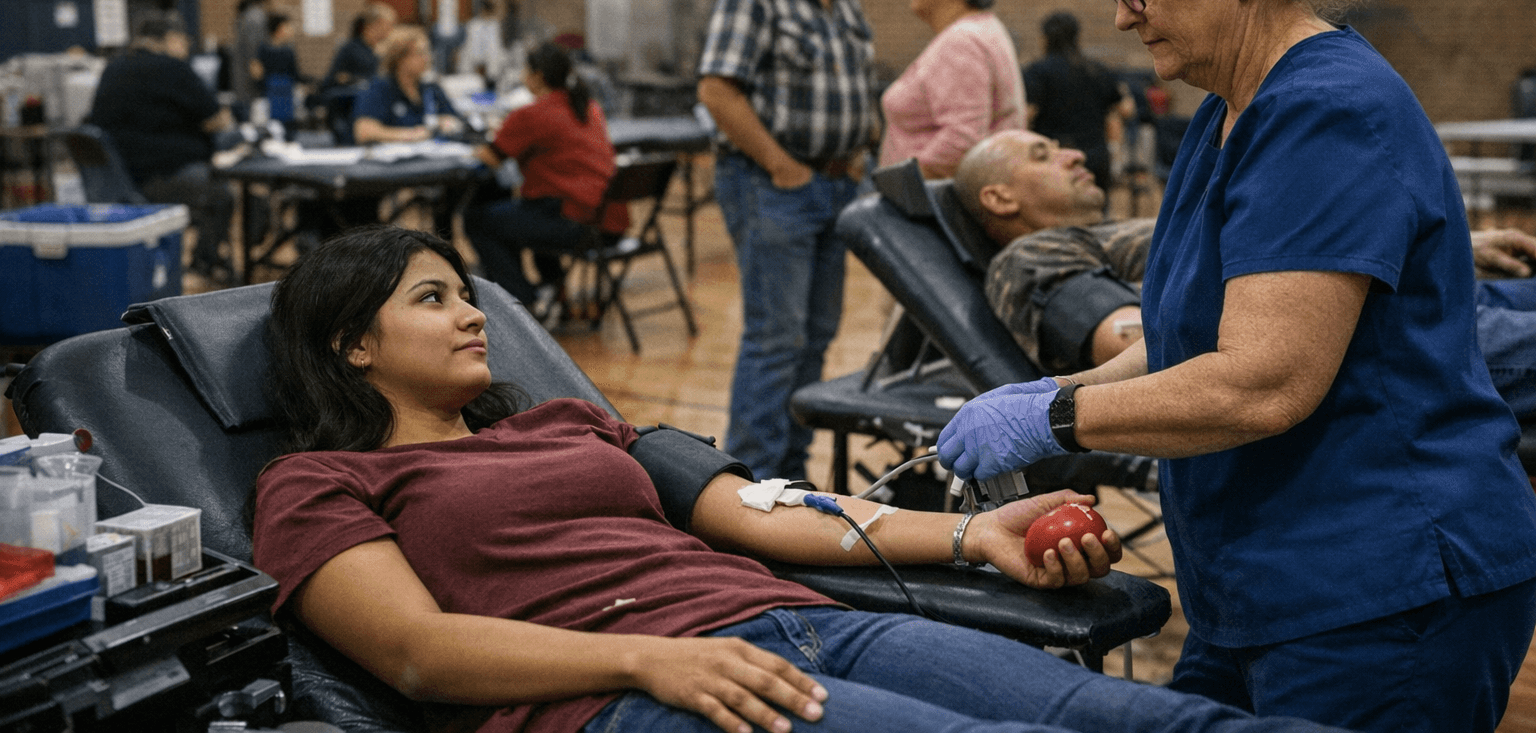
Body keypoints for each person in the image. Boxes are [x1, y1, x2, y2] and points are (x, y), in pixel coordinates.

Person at [250, 224, 1357, 733]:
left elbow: (759, 510)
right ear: (352, 343)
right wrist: (653, 659)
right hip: (625, 690)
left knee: (1144, 718)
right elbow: (416, 652)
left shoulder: (564, 418)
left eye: (466, 291)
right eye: (432, 298)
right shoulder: (318, 481)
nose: (474, 312)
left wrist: (980, 538)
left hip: (800, 621)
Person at [937, 0, 1536, 733]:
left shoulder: (1322, 109)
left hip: (1381, 584)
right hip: (1265, 577)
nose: (1123, 16)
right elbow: (1191, 344)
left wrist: (1053, 421)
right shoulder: (1229, 108)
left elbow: (1263, 381)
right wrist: (1056, 390)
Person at [956, 128, 1536, 418]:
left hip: (1384, 292)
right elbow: (1148, 346)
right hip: (1361, 338)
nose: (1075, 154)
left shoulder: (1109, 236)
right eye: (1042, 156)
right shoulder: (1027, 260)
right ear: (1000, 198)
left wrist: (1443, 245)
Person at [696, 0, 885, 482]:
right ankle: (748, 484)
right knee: (777, 339)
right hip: (773, 185)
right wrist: (782, 165)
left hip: (834, 187)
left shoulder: (844, 1)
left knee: (815, 338)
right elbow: (717, 90)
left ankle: (790, 474)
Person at [463, 42, 626, 319]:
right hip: (610, 219)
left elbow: (492, 156)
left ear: (537, 77)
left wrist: (474, 146)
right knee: (520, 214)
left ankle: (519, 305)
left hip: (578, 222)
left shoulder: (531, 115)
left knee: (479, 221)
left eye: (525, 70)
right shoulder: (589, 107)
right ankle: (551, 290)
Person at [88, 12, 234, 280]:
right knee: (223, 194)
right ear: (171, 39)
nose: (187, 49)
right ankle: (205, 262)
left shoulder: (113, 67)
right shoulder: (172, 67)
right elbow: (216, 119)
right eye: (184, 42)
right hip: (157, 177)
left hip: (118, 177)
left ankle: (202, 261)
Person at [878, 0, 1026, 179]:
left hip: (930, 206)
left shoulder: (961, 41)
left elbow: (962, 138)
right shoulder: (984, 29)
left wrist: (903, 185)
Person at [1021, 12, 1131, 193]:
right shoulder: (1097, 70)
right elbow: (1126, 110)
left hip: (1054, 159)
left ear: (1045, 38)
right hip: (1095, 159)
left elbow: (1027, 114)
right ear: (1076, 36)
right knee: (1096, 214)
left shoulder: (1037, 72)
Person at [353, 25, 463, 145]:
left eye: (428, 52)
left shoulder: (431, 88)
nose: (427, 58)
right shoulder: (379, 88)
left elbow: (454, 119)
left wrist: (447, 123)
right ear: (400, 58)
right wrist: (411, 135)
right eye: (420, 53)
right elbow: (364, 131)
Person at [322, 2, 396, 92]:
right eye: (388, 26)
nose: (390, 31)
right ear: (375, 25)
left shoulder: (373, 49)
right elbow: (337, 79)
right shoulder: (353, 49)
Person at [233, 0, 274, 105]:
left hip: (245, 71)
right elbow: (253, 46)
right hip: (249, 76)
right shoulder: (256, 17)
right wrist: (255, 66)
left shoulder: (249, 14)